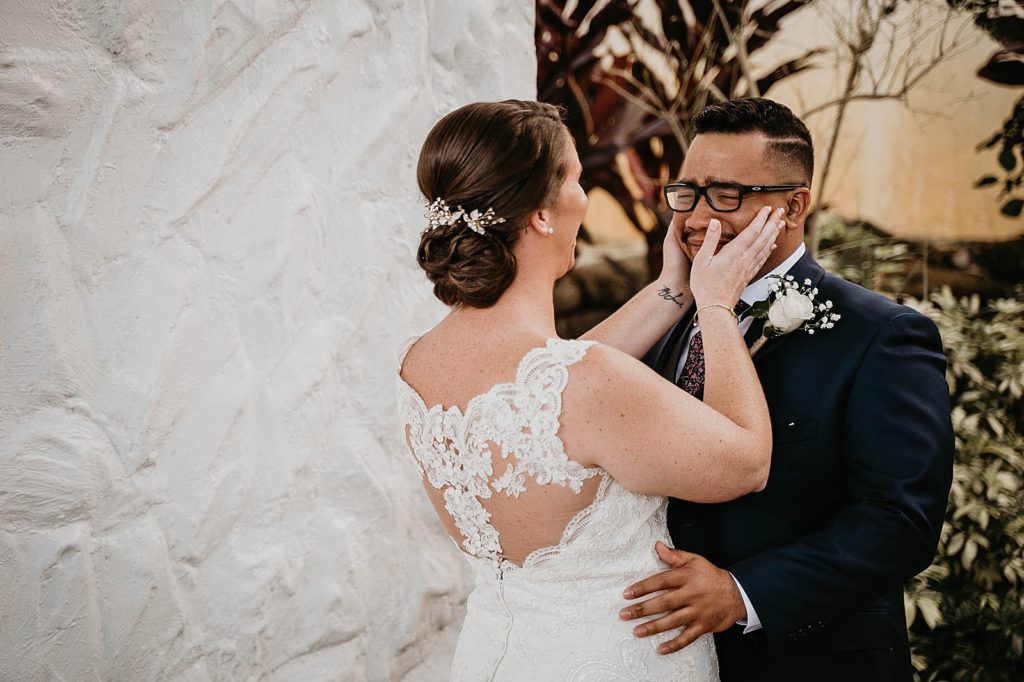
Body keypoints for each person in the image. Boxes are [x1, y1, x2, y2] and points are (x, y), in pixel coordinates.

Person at [396, 99, 785, 680]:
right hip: (609, 659)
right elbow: (747, 463)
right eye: (577, 181)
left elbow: (560, 381)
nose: (585, 197)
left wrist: (670, 288)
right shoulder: (584, 382)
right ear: (541, 215)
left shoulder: (420, 360)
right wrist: (717, 303)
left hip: (495, 654)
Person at [620, 97, 955, 682]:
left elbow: (899, 521)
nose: (696, 219)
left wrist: (739, 592)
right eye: (688, 194)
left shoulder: (883, 336)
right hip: (659, 657)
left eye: (726, 196)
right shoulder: (666, 315)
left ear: (795, 205)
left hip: (809, 661)